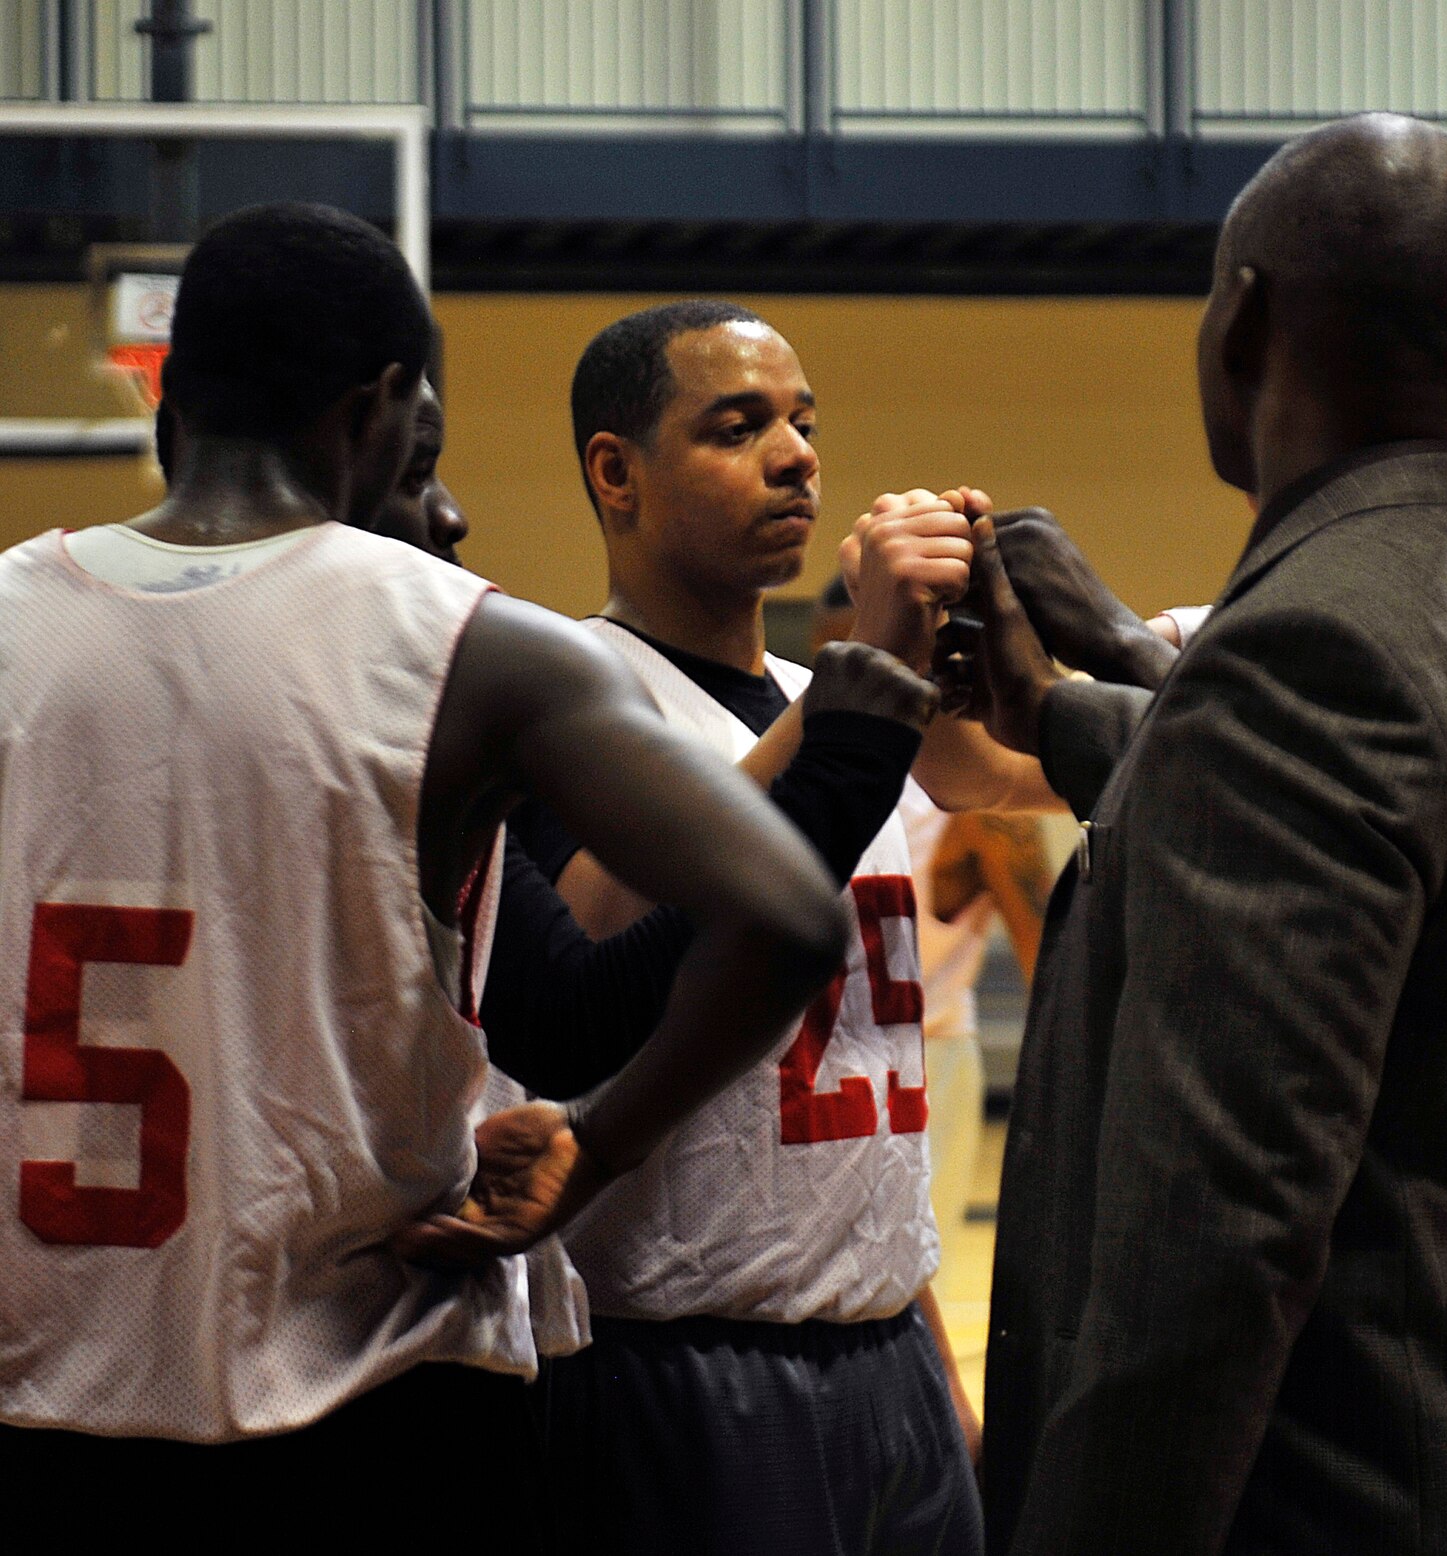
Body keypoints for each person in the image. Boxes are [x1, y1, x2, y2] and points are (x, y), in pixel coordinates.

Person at [0, 203, 848, 1543]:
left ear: (171, 390)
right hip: (375, 1392)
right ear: (385, 401)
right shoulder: (467, 644)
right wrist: (601, 1141)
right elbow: (796, 913)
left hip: (49, 1393)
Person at [963, 115, 1447, 1553]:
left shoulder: (1305, 650)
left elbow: (1212, 1263)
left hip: (1352, 1500)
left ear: (1242, 318)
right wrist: (1059, 701)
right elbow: (1375, 804)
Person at [524, 300, 983, 1553]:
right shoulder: (561, 689)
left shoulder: (833, 708)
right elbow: (593, 943)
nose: (796, 455)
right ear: (615, 471)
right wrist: (845, 705)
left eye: (802, 422)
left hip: (886, 1341)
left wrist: (930, 1359)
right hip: (681, 1360)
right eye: (738, 428)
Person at [813, 575, 1057, 1273]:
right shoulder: (797, 757)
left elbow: (1049, 959)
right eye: (829, 660)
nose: (844, 678)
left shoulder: (979, 796)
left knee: (913, 1286)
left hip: (928, 1055)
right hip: (807, 1052)